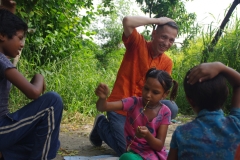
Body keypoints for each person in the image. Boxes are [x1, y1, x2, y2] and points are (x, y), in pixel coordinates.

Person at [89, 15, 179, 156]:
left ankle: (146, 130)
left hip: (143, 109)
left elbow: (161, 92)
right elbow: (127, 21)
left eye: (171, 40)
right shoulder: (137, 44)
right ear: (154, 34)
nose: (166, 43)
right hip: (122, 107)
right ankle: (101, 124)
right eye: (163, 37)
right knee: (126, 150)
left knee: (171, 107)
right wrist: (157, 21)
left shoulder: (167, 62)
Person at [0, 2, 63, 160]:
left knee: (52, 142)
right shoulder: (0, 60)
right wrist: (39, 76)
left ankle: (4, 155)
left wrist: (9, 9)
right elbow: (34, 92)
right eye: (20, 38)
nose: (22, 44)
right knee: (53, 101)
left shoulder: (3, 57)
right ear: (2, 35)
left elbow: (5, 22)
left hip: (4, 128)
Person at [95, 68, 178, 160]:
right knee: (126, 157)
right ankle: (100, 123)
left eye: (155, 92)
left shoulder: (165, 112)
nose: (148, 95)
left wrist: (147, 135)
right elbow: (102, 107)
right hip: (135, 153)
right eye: (146, 89)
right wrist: (102, 98)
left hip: (155, 155)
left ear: (165, 94)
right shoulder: (133, 103)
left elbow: (159, 146)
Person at [167, 62, 240, 160]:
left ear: (189, 100)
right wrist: (221, 67)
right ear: (227, 93)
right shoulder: (236, 124)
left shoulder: (181, 133)